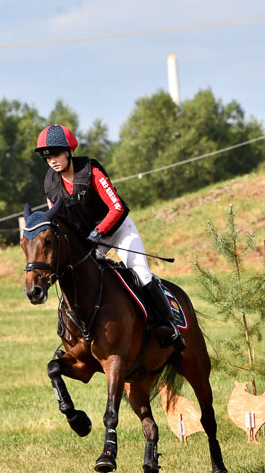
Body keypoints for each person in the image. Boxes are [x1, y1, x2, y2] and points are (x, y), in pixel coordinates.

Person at [35, 123, 184, 349]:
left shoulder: (91, 171)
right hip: (92, 240)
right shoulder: (50, 182)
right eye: (47, 158)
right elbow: (59, 219)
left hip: (118, 230)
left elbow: (116, 208)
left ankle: (169, 326)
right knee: (76, 278)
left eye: (56, 154)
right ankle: (75, 337)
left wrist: (99, 232)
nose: (52, 161)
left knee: (142, 274)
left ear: (69, 151)